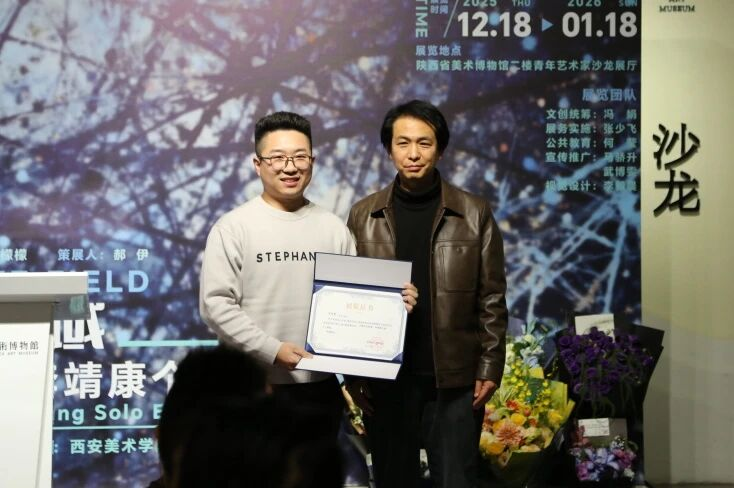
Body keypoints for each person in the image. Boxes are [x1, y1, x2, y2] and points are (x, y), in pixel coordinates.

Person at [199, 111, 417, 438]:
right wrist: (272, 349)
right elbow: (215, 306)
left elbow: (355, 304)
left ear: (312, 161)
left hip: (319, 388)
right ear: (257, 164)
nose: (290, 167)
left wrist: (394, 303)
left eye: (300, 157)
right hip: (252, 388)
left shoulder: (333, 228)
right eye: (277, 157)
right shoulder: (233, 228)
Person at [345, 100, 508, 488]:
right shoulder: (363, 215)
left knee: (456, 479)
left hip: (453, 379)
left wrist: (490, 366)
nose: (413, 153)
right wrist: (352, 373)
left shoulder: (474, 213)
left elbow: (492, 298)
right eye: (403, 143)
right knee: (392, 480)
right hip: (386, 380)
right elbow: (349, 298)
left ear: (441, 149)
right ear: (389, 149)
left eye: (424, 142)